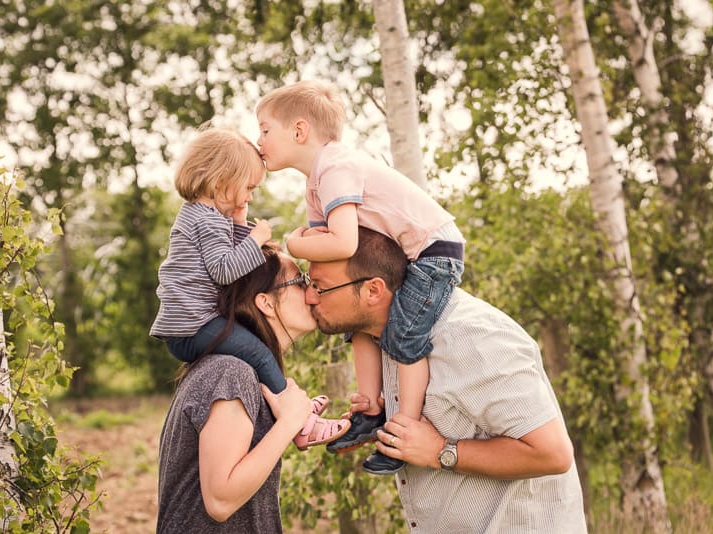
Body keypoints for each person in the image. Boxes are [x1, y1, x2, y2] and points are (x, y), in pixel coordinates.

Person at [305, 227, 588, 533]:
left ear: (373, 290)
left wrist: (440, 450)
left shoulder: (473, 336)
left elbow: (552, 454)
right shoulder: (389, 340)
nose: (309, 296)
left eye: (320, 287)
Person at [257, 80, 465, 474]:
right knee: (358, 324)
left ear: (299, 130)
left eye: (265, 130)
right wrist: (306, 248)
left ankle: (405, 429)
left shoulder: (336, 167)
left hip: (435, 251)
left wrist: (293, 244)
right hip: (400, 252)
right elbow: (331, 251)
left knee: (404, 334)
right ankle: (370, 409)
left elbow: (342, 242)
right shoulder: (316, 181)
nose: (259, 140)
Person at [150, 127, 348, 450]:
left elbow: (232, 262)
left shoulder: (200, 216)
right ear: (221, 182)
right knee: (257, 351)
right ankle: (300, 422)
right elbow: (226, 270)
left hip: (186, 326)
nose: (250, 196)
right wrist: (255, 238)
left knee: (252, 355)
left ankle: (282, 400)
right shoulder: (208, 220)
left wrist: (241, 224)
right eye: (249, 187)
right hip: (192, 327)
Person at [158, 243, 328, 533]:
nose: (312, 293)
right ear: (266, 303)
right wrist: (290, 423)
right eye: (300, 281)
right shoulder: (231, 372)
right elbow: (220, 501)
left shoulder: (237, 370)